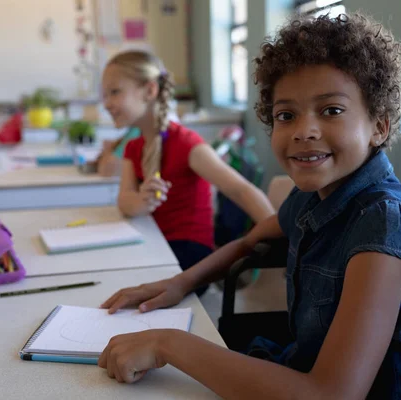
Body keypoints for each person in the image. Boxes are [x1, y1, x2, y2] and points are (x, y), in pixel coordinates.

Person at [97, 13, 401, 400]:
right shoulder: (312, 196)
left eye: (331, 110)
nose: (303, 130)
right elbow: (248, 243)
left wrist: (167, 345)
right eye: (285, 115)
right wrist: (179, 283)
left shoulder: (383, 223)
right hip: (295, 366)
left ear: (380, 125)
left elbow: (332, 394)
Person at [101, 50, 275, 293]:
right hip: (157, 245)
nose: (106, 103)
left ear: (150, 91)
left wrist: (279, 237)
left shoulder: (186, 143)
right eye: (104, 94)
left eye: (115, 92)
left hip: (190, 258)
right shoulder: (133, 147)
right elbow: (125, 202)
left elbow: (241, 190)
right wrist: (142, 201)